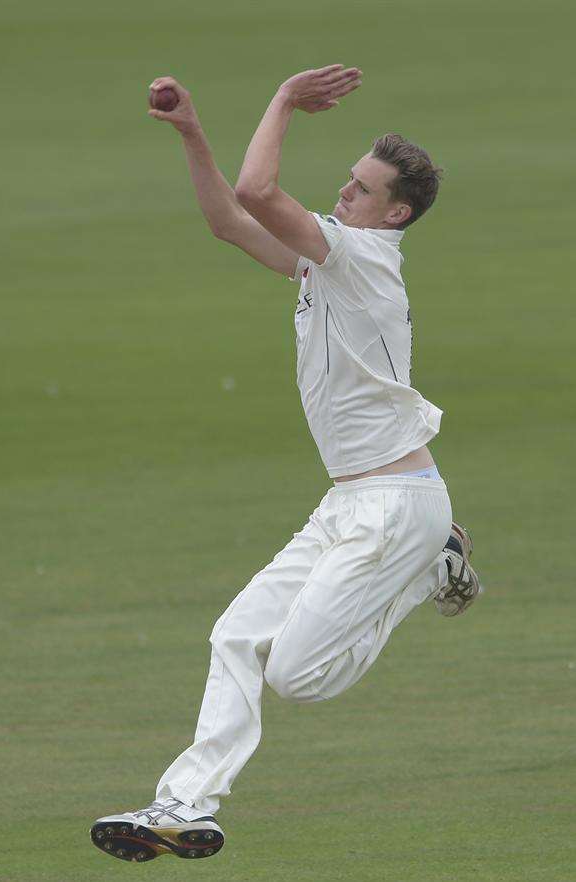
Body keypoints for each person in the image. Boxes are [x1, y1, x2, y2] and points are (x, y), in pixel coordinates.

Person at [89, 65, 483, 864]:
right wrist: (192, 130)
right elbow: (232, 221)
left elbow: (260, 191)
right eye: (348, 182)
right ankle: (183, 805)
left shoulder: (361, 257)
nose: (344, 194)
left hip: (396, 505)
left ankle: (429, 570)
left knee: (299, 677)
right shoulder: (326, 260)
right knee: (234, 636)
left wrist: (280, 101)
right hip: (353, 502)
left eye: (361, 189)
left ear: (394, 213)